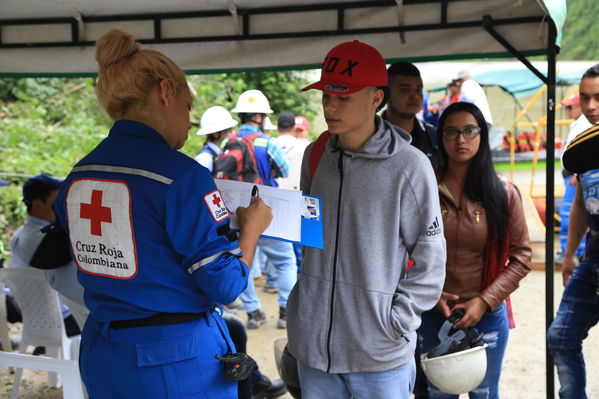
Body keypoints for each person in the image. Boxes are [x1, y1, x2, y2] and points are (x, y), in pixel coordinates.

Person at [53, 29, 272, 398]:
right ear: (164, 92)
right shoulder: (183, 176)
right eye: (187, 107)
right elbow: (226, 285)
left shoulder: (77, 176)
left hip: (103, 353)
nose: (189, 122)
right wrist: (251, 229)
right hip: (175, 361)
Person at [286, 40, 446, 399]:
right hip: (314, 353)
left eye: (343, 96)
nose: (330, 105)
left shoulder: (410, 166)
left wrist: (396, 322)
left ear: (376, 98)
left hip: (379, 356)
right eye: (326, 95)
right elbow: (309, 237)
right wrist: (304, 310)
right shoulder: (314, 156)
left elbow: (431, 259)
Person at [418, 102, 532, 399]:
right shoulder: (423, 186)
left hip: (487, 316)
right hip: (433, 313)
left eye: (469, 131)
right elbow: (401, 248)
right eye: (451, 132)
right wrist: (432, 292)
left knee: (484, 393)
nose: (460, 140)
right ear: (440, 138)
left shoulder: (503, 192)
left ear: (482, 135)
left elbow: (521, 258)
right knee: (439, 394)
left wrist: (484, 301)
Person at [547, 64, 599, 399]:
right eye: (585, 97)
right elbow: (580, 200)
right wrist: (569, 255)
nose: (591, 105)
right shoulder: (581, 141)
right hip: (593, 254)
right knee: (561, 337)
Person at [231, 90, 296, 330]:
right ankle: (285, 312)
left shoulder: (230, 140)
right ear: (259, 115)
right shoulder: (266, 141)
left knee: (243, 260)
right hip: (264, 210)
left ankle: (253, 312)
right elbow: (285, 169)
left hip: (237, 214)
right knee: (285, 260)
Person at [9, 174, 83, 339]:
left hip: (35, 318)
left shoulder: (21, 234)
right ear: (37, 205)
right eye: (58, 202)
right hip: (65, 321)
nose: (64, 205)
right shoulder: (49, 243)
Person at [383, 62, 443, 170]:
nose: (415, 96)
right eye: (405, 89)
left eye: (418, 90)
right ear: (387, 94)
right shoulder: (370, 136)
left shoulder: (434, 138)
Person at [557, 93, 589, 263]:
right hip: (571, 176)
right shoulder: (579, 124)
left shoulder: (585, 124)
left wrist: (578, 175)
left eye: (570, 107)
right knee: (568, 214)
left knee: (571, 214)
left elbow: (585, 151)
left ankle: (576, 252)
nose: (567, 110)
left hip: (574, 177)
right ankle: (570, 251)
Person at [195, 105, 238, 172]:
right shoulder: (204, 159)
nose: (233, 133)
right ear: (215, 134)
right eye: (228, 130)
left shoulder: (220, 153)